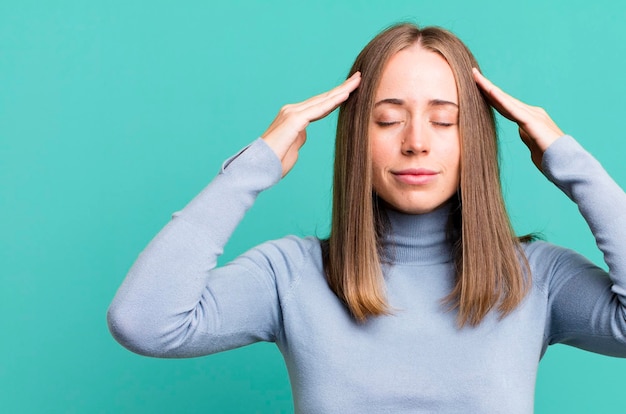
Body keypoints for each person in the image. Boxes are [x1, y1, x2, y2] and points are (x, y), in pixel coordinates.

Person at [107, 23, 626, 413]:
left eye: (444, 120)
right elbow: (145, 323)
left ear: (478, 141)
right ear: (357, 136)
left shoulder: (535, 278)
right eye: (388, 119)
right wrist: (254, 167)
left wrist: (570, 162)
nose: (416, 141)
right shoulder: (291, 273)